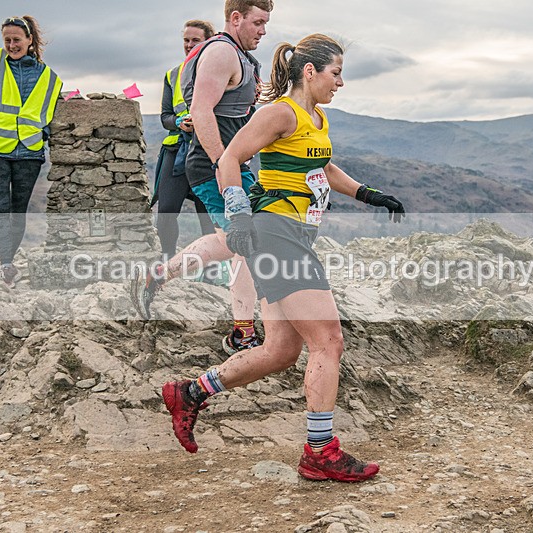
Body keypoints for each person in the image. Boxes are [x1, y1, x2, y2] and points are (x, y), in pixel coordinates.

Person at [161, 34, 405, 482]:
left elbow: (322, 167)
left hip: (296, 235)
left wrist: (369, 194)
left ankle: (190, 392)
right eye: (335, 73)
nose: (340, 82)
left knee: (279, 351)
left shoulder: (316, 117)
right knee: (328, 340)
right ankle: (320, 451)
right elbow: (230, 159)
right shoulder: (278, 113)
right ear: (309, 72)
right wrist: (238, 213)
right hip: (276, 234)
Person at [131, 0, 273, 356]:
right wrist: (223, 165)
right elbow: (200, 110)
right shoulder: (221, 52)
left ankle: (158, 275)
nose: (263, 31)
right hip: (215, 164)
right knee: (246, 240)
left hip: (230, 163)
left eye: (266, 23)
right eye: (258, 22)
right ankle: (242, 333)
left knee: (229, 240)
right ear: (236, 18)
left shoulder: (239, 55)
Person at [0, 15, 62, 288]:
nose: (12, 45)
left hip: (30, 153)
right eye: (7, 40)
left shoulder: (48, 76)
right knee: (0, 208)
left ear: (29, 40)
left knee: (18, 210)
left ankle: (7, 259)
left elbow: (52, 113)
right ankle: (6, 264)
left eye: (16, 39)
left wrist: (44, 135)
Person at [152, 20, 216, 257]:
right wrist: (179, 122)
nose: (189, 45)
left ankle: (211, 268)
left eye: (195, 40)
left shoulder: (220, 72)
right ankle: (168, 260)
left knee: (208, 216)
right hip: (177, 150)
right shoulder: (172, 75)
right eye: (186, 40)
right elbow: (165, 117)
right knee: (166, 211)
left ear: (208, 42)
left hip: (208, 152)